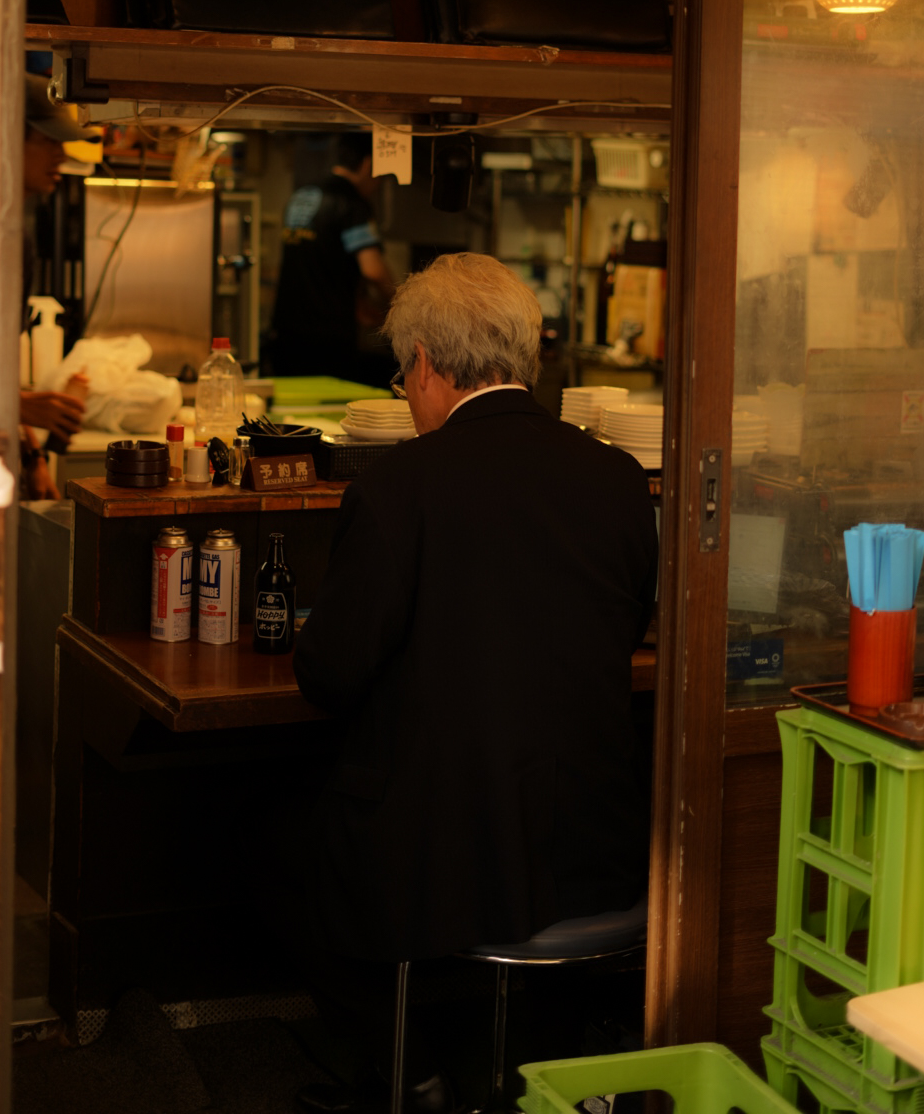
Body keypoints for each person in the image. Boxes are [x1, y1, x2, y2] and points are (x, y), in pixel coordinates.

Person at [292, 253, 658, 1114]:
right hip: (592, 840)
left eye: (402, 372)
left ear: (424, 364)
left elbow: (329, 675)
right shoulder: (616, 480)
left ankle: (402, 1074)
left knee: (276, 834)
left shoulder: (400, 487)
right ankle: (536, 1065)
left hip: (444, 857)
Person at [19, 75, 99, 497]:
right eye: (50, 141)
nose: (63, 155)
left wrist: (34, 461)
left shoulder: (18, 241)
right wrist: (22, 406)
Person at [271, 133, 397, 383]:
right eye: (381, 175)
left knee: (291, 414)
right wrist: (400, 306)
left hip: (285, 333)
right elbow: (372, 270)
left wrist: (357, 304)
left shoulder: (302, 195)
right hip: (326, 339)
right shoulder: (350, 203)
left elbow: (316, 260)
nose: (379, 183)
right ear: (367, 164)